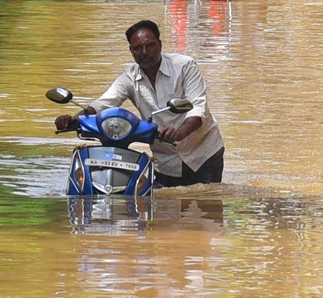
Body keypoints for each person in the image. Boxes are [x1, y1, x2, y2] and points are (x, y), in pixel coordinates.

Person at [54, 20, 225, 187]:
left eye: (150, 45)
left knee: (205, 208)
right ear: (131, 51)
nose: (145, 52)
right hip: (165, 159)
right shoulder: (129, 77)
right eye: (138, 48)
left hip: (202, 153)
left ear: (160, 44)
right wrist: (74, 120)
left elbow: (197, 108)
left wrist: (180, 132)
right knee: (165, 212)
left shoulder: (185, 66)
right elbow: (103, 103)